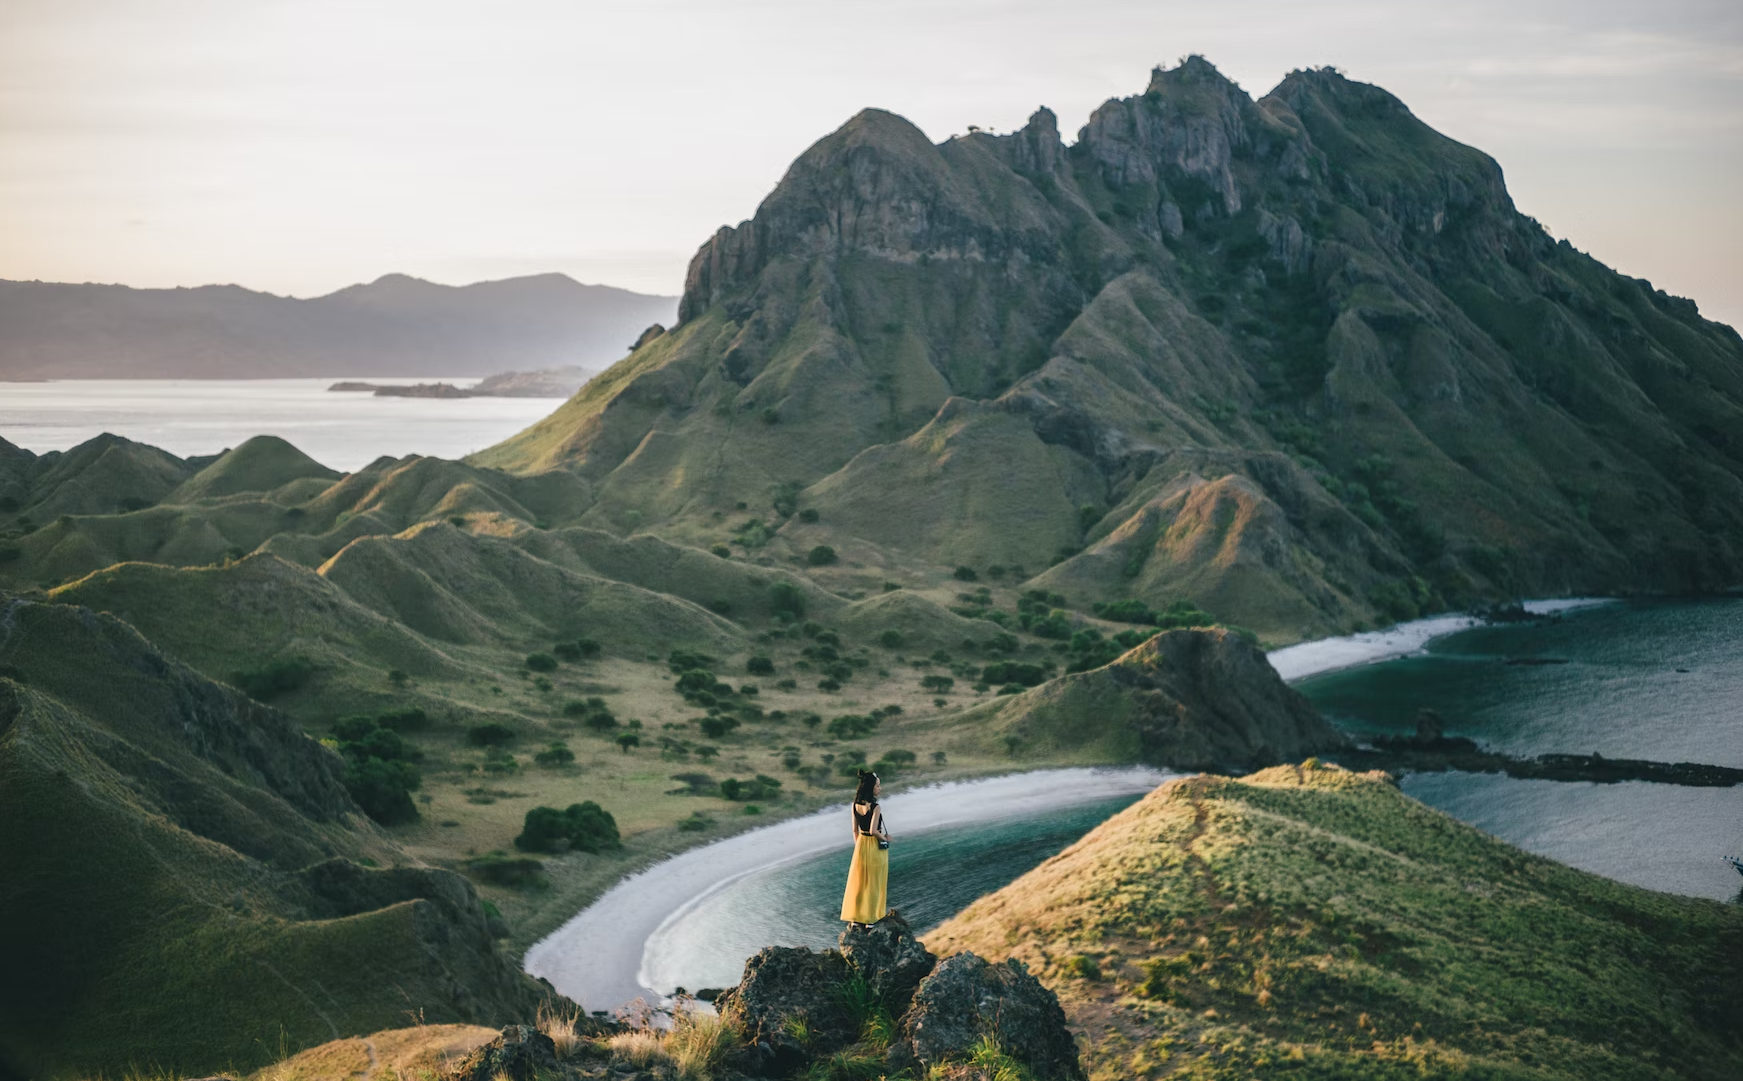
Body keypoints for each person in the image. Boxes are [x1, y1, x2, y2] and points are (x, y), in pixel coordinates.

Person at [840, 769, 891, 927]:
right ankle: (871, 918)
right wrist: (886, 838)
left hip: (861, 845)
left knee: (860, 883)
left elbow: (855, 830)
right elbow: (874, 831)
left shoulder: (855, 805)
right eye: (877, 785)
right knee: (874, 883)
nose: (879, 788)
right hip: (874, 847)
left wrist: (859, 848)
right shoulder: (876, 807)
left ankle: (856, 918)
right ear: (871, 788)